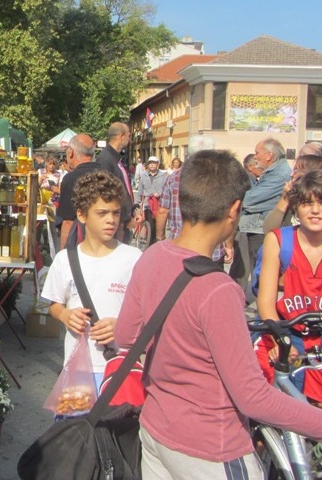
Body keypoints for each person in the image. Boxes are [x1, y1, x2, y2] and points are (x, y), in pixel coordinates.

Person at [115, 149, 322, 479]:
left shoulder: (152, 257)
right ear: (234, 210)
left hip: (157, 431)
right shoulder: (218, 289)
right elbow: (253, 398)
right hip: (212, 446)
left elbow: (125, 337)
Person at [256, 168, 322, 407]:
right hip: (281, 330)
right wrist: (278, 338)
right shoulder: (279, 240)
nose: (315, 210)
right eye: (306, 203)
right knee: (270, 407)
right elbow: (265, 301)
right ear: (296, 208)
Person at [41, 170, 141, 393]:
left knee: (115, 426)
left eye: (116, 213)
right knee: (75, 427)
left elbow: (148, 312)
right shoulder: (65, 260)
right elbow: (54, 304)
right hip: (77, 368)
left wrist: (122, 326)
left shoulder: (134, 259)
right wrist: (65, 315)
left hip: (120, 366)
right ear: (82, 215)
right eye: (102, 213)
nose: (111, 220)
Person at [155, 136, 232, 266]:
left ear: (189, 154)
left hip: (179, 248)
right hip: (211, 250)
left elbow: (163, 211)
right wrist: (228, 245)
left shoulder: (174, 178)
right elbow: (229, 214)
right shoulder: (221, 180)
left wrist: (160, 237)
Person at [235, 138, 292, 294]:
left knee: (259, 272)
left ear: (269, 155)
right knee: (244, 267)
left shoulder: (279, 174)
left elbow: (249, 199)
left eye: (257, 153)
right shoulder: (273, 172)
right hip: (255, 226)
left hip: (261, 229)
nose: (255, 157)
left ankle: (263, 307)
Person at [56, 133, 97, 248]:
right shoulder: (107, 174)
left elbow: (68, 221)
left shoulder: (70, 179)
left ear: (71, 152)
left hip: (79, 244)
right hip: (104, 244)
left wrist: (63, 256)